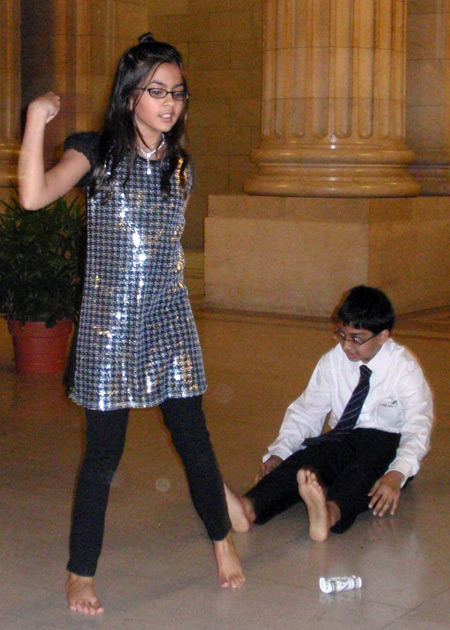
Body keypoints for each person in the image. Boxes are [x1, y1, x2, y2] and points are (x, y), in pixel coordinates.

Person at [18, 33, 245, 615]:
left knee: (195, 441)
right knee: (103, 457)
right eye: (156, 92)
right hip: (107, 327)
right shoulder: (95, 153)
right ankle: (80, 573)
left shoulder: (179, 164)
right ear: (130, 97)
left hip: (168, 318)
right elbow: (34, 196)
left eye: (177, 93)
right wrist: (36, 122)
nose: (169, 103)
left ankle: (221, 540)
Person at [225, 285, 434, 543]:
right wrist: (280, 452)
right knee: (306, 460)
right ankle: (249, 507)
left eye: (357, 338)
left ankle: (329, 514)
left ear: (382, 336)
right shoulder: (333, 361)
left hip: (389, 445)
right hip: (344, 436)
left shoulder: (404, 368)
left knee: (363, 469)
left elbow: (418, 426)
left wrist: (398, 473)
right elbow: (307, 411)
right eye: (342, 334)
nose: (347, 345)